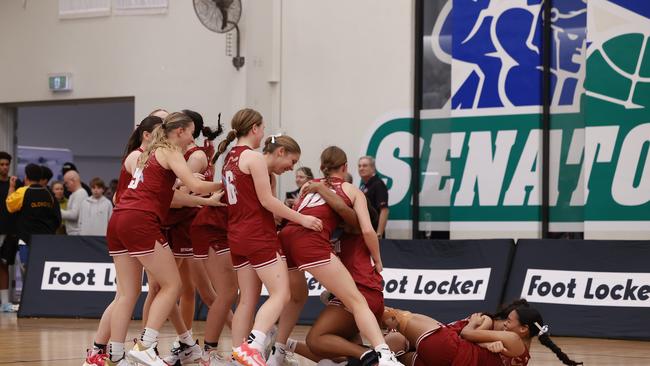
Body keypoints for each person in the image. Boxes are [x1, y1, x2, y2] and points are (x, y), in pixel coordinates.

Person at [104, 112, 223, 365]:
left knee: (128, 292)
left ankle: (114, 355)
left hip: (118, 219)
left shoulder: (151, 151)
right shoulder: (170, 151)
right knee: (172, 285)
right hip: (140, 220)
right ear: (179, 132)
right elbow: (195, 184)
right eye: (191, 132)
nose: (193, 138)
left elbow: (171, 196)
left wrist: (202, 198)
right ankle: (146, 345)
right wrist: (227, 185)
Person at [273, 146, 402, 366]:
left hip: (286, 237)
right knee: (322, 331)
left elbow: (358, 222)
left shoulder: (310, 187)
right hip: (310, 240)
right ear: (345, 167)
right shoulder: (347, 198)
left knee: (298, 303)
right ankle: (376, 355)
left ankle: (278, 350)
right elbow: (345, 213)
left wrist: (319, 189)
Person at [213, 108, 322, 366]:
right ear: (254, 128)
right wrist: (302, 218)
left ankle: (238, 355)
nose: (263, 133)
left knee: (246, 300)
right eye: (262, 128)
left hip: (237, 234)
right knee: (281, 294)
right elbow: (267, 201)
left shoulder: (229, 157)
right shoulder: (254, 157)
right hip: (257, 234)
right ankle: (255, 344)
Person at [282, 184, 385, 366]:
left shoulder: (358, 229)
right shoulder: (338, 236)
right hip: (367, 295)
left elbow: (340, 208)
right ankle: (286, 345)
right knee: (338, 352)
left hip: (362, 293)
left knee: (316, 339)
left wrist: (320, 188)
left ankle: (372, 354)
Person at [157, 109, 223, 365]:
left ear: (188, 128)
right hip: (180, 223)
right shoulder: (181, 153)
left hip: (188, 224)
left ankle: (240, 341)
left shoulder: (194, 155)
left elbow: (181, 193)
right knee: (187, 291)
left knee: (201, 292)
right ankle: (186, 341)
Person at [381, 305, 583, 366]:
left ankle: (358, 305)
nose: (505, 324)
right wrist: (487, 346)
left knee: (396, 317)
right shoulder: (523, 358)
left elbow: (468, 334)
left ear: (523, 330)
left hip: (449, 347)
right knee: (394, 356)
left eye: (509, 321)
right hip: (448, 361)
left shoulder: (508, 337)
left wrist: (473, 323)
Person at [5, 163, 61, 266]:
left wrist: (12, 187)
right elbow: (55, 217)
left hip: (26, 240)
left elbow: (10, 206)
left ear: (26, 176)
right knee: (41, 270)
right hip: (45, 240)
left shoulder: (23, 191)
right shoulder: (48, 193)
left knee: (27, 273)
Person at [0, 151, 22, 312]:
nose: (4, 167)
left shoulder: (16, 183)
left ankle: (5, 302)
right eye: (1, 164)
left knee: (3, 265)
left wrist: (13, 187)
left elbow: (14, 206)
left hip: (8, 232)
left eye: (7, 164)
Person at [358, 156, 389, 238]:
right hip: (364, 232)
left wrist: (379, 234)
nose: (361, 168)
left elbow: (384, 210)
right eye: (359, 166)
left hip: (374, 233)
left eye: (365, 166)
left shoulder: (378, 184)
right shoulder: (363, 186)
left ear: (373, 168)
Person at [61, 170, 89, 235]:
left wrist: (58, 211)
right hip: (73, 233)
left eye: (66, 183)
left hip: (77, 234)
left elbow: (74, 215)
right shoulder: (75, 194)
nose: (65, 186)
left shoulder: (80, 193)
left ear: (73, 180)